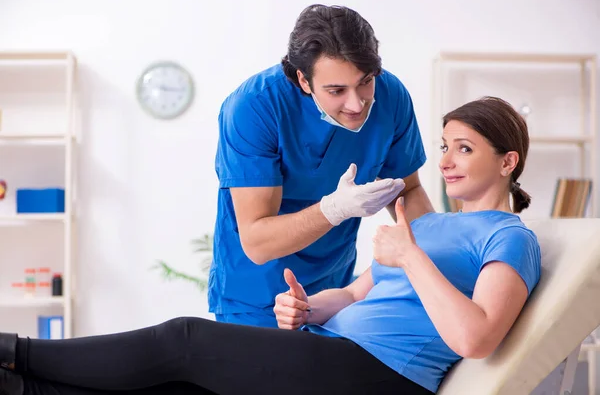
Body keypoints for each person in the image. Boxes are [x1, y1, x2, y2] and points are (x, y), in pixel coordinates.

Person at [0, 97, 541, 395]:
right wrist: (310, 306)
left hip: (386, 374)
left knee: (184, 340)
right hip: (337, 349)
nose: (443, 161)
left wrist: (411, 257)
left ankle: (14, 351)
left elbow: (476, 337)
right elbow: (355, 295)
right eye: (444, 146)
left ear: (507, 161)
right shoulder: (426, 224)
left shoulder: (510, 238)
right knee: (183, 391)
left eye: (463, 149)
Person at [210, 3, 434, 328]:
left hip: (335, 292)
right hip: (256, 298)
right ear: (303, 80)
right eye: (336, 91)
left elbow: (407, 190)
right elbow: (257, 242)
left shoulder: (391, 97)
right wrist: (334, 209)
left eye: (365, 82)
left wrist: (439, 258)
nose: (357, 104)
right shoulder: (255, 108)